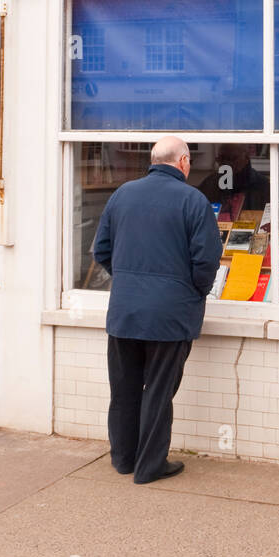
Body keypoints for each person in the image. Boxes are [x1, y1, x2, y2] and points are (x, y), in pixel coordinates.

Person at [92, 135, 223, 484]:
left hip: (124, 312)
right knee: (159, 391)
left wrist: (128, 281)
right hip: (170, 314)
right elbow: (206, 261)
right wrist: (194, 292)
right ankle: (150, 466)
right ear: (182, 162)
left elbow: (101, 249)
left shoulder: (122, 195)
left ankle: (123, 459)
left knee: (124, 390)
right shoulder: (193, 201)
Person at [198, 144, 270, 213]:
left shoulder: (262, 186)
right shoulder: (210, 183)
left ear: (246, 158)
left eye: (231, 158)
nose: (226, 163)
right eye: (221, 158)